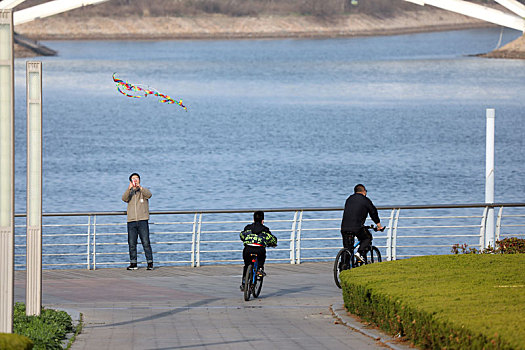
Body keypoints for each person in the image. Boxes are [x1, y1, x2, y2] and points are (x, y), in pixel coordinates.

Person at [340, 184, 384, 262]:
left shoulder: (349, 199)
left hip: (344, 227)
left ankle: (343, 266)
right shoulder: (365, 200)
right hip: (357, 228)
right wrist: (379, 225)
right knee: (367, 237)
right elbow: (373, 212)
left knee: (348, 249)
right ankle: (360, 253)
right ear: (363, 191)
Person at [122, 172, 154, 270]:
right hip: (131, 221)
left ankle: (150, 263)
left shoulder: (143, 191)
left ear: (139, 180)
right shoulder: (129, 192)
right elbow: (124, 198)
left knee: (146, 242)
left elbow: (149, 195)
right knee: (132, 243)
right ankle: (133, 263)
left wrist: (140, 188)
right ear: (130, 181)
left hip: (142, 220)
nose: (135, 181)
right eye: (133, 179)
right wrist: (129, 189)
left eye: (137, 179)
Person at [239, 211, 277, 291]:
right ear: (262, 220)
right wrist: (273, 244)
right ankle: (259, 269)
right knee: (261, 257)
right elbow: (272, 239)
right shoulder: (265, 230)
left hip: (248, 249)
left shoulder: (248, 228)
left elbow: (242, 235)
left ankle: (243, 283)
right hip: (259, 249)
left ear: (253, 219)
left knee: (247, 265)